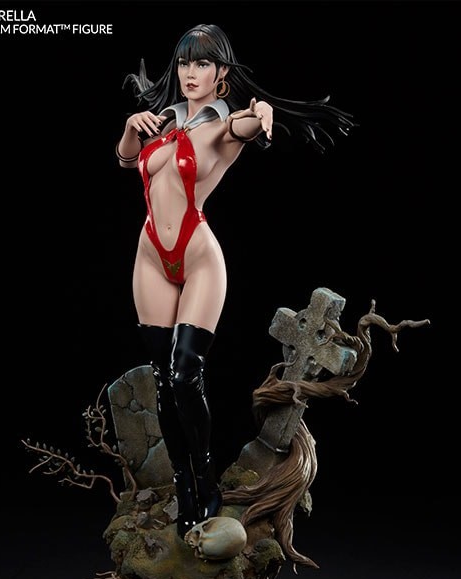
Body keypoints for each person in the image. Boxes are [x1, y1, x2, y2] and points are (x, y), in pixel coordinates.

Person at [115, 23, 354, 539]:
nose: (190, 73)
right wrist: (134, 128)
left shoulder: (224, 125)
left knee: (184, 373)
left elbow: (248, 125)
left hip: (197, 254)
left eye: (202, 64)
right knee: (162, 381)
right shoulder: (163, 121)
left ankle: (205, 478)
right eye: (184, 63)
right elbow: (129, 159)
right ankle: (184, 485)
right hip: (150, 254)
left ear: (221, 72)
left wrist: (261, 114)